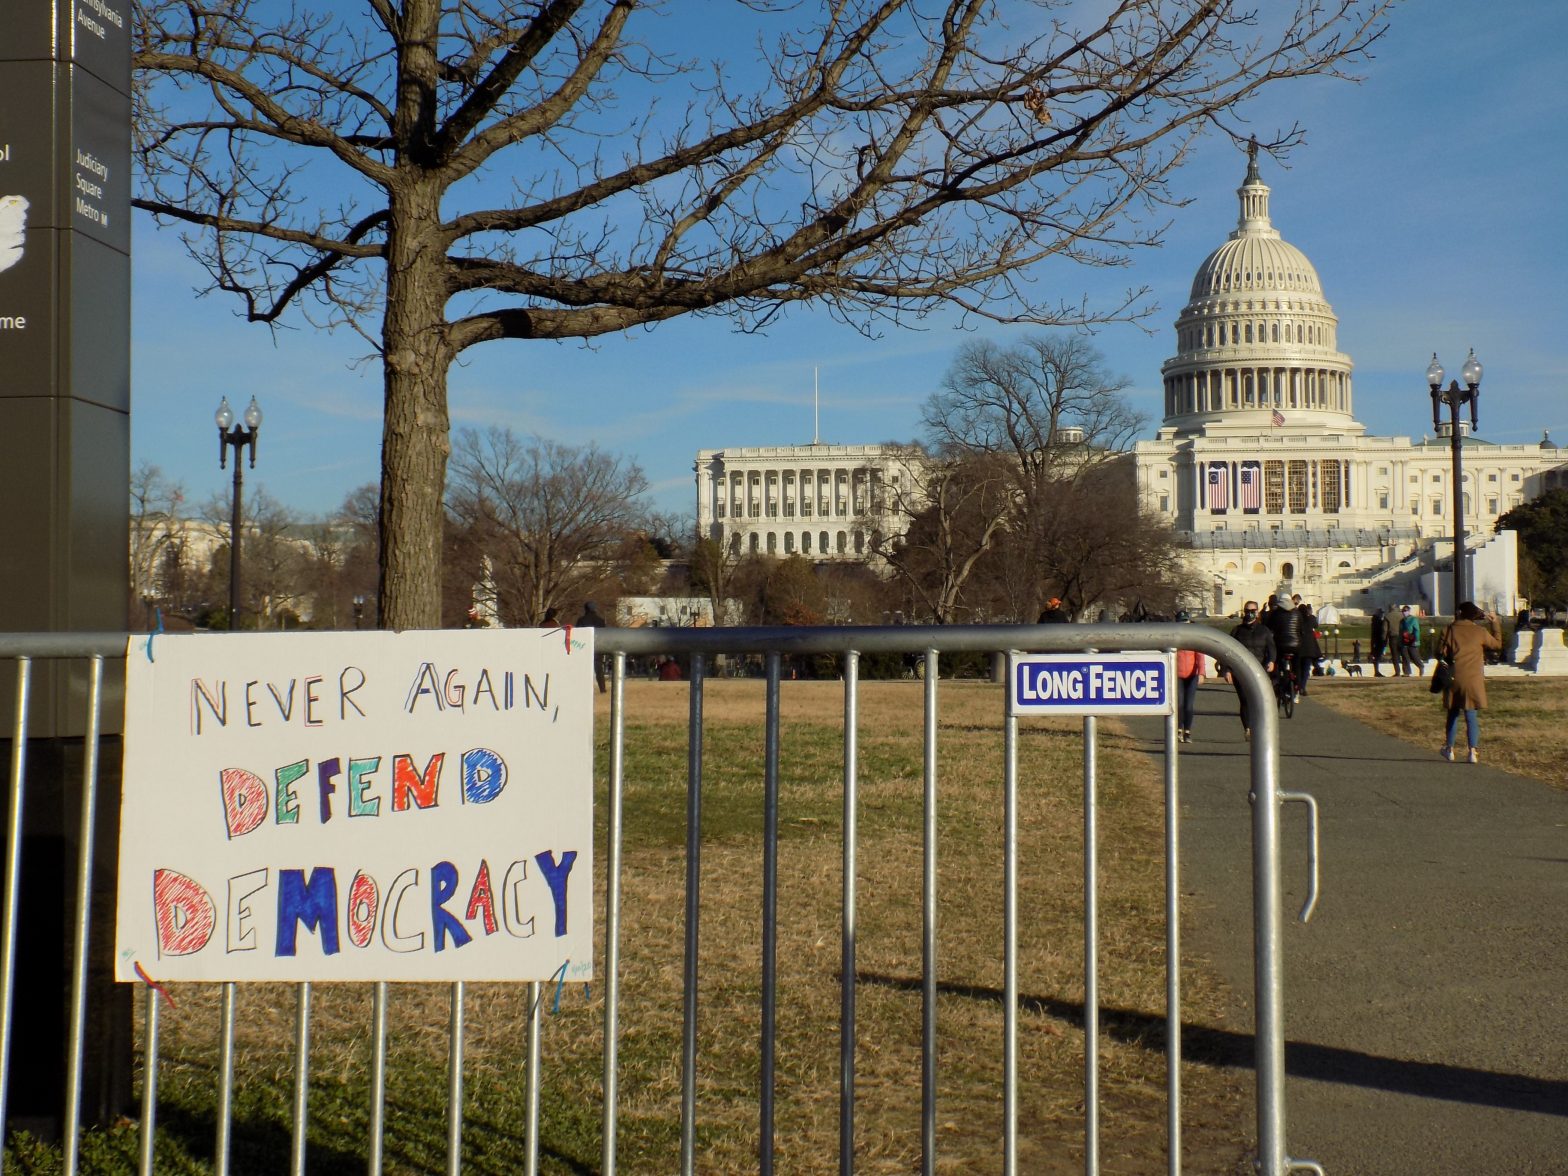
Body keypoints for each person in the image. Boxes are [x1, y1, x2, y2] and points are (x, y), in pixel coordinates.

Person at [1437, 602, 1503, 764]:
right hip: (1473, 678)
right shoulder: (1480, 631)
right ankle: (1472, 750)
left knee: (1453, 713)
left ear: (1459, 613)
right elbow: (1497, 644)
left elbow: (1439, 652)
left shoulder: (1448, 630)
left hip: (1454, 677)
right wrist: (1494, 623)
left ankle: (1449, 748)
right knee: (1471, 714)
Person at [1216, 601, 1276, 740]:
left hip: (1259, 671)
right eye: (1247, 610)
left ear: (1257, 612)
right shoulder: (1237, 631)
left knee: (1259, 699)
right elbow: (1227, 651)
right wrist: (1226, 670)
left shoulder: (1264, 631)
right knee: (1245, 699)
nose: (1250, 613)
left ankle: (1260, 726)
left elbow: (1271, 649)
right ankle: (1248, 728)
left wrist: (1271, 661)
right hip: (1240, 670)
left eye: (1253, 610)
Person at [1264, 593, 1305, 700]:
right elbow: (1302, 629)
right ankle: (1297, 686)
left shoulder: (1276, 613)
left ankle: (1277, 681)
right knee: (1296, 665)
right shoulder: (1297, 613)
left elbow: (1269, 628)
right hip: (1295, 645)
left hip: (1280, 644)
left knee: (1275, 661)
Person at [1174, 614, 1206, 743]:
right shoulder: (1174, 638)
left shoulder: (1194, 638)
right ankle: (1178, 729)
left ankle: (1187, 731)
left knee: (1189, 705)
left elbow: (1200, 656)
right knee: (1179, 704)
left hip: (1192, 675)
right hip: (1178, 676)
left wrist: (1202, 673)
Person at [575, 600, 609, 693]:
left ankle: (583, 688)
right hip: (598, 647)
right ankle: (602, 688)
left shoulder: (581, 620)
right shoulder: (601, 621)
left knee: (583, 669)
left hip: (584, 647)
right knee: (599, 669)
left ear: (585, 609)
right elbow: (604, 635)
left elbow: (577, 635)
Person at [1396, 605, 1424, 677]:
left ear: (1409, 611)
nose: (1404, 612)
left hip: (1412, 639)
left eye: (1405, 611)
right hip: (1404, 640)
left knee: (1414, 655)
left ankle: (1421, 666)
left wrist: (1416, 640)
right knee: (1405, 656)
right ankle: (1407, 672)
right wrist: (1399, 641)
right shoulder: (1401, 621)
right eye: (1403, 611)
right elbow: (1400, 632)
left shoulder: (1413, 619)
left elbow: (1416, 630)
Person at [1369, 607, 1389, 676]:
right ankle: (1376, 672)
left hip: (1376, 641)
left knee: (1377, 656)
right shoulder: (1378, 622)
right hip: (1378, 641)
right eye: (1382, 613)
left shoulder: (1375, 621)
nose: (1383, 614)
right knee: (1377, 656)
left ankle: (1376, 671)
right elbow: (1381, 631)